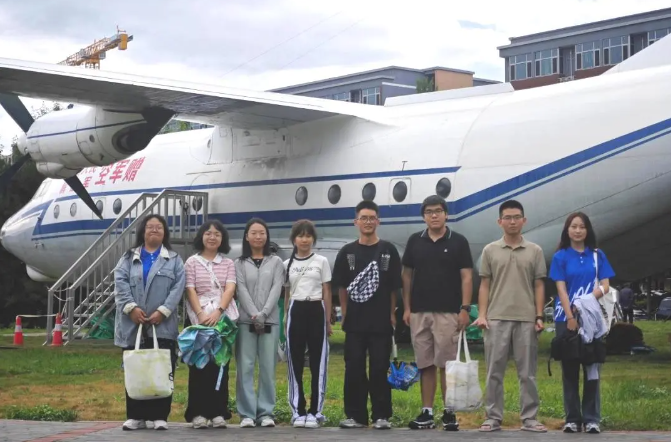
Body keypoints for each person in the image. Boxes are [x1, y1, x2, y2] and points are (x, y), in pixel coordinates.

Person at [473, 200, 547, 433]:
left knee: (527, 373)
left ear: (524, 220)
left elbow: (539, 285)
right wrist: (482, 314)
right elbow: (484, 284)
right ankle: (492, 417)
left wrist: (539, 315)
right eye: (507, 217)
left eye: (516, 217)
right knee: (494, 371)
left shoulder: (535, 250)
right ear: (500, 221)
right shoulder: (490, 250)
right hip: (496, 317)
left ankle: (530, 418)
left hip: (526, 318)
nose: (512, 221)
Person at [402, 195, 473, 431]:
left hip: (448, 312)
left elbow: (466, 276)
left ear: (446, 214)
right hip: (419, 312)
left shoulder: (459, 241)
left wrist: (465, 308)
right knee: (425, 364)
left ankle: (449, 412)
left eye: (438, 211)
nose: (434, 215)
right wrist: (407, 308)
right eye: (429, 212)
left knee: (447, 364)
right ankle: (427, 412)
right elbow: (406, 276)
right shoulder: (415, 241)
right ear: (424, 216)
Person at [332, 200, 402, 430]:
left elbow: (393, 287)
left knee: (380, 368)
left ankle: (381, 415)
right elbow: (342, 287)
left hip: (381, 320)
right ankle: (356, 415)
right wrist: (344, 313)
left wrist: (392, 313)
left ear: (378, 221)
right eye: (364, 218)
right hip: (355, 321)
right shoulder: (347, 252)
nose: (368, 222)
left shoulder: (388, 251)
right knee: (354, 368)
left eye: (372, 218)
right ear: (356, 222)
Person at [113, 214, 185, 431]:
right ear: (143, 232)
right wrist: (131, 308)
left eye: (159, 227)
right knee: (136, 368)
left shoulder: (174, 259)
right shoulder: (128, 258)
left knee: (161, 368)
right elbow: (120, 282)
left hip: (162, 325)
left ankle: (159, 416)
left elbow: (178, 288)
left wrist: (163, 311)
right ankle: (135, 416)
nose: (154, 230)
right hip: (133, 324)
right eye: (150, 227)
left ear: (165, 233)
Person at [549, 212, 615, 434]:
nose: (578, 230)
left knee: (591, 367)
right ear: (567, 230)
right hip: (565, 318)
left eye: (582, 227)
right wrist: (570, 316)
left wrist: (585, 301)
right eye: (573, 226)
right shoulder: (560, 257)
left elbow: (605, 285)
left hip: (591, 318)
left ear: (588, 230)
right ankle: (572, 419)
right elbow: (561, 289)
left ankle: (592, 418)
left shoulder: (597, 255)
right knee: (569, 369)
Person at [183, 220, 237, 429]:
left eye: (217, 234)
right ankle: (197, 413)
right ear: (201, 236)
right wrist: (200, 314)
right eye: (208, 233)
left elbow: (230, 288)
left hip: (221, 319)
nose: (212, 237)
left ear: (222, 239)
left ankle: (218, 412)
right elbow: (190, 289)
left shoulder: (228, 263)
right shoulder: (192, 262)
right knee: (198, 365)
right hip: (199, 318)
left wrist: (218, 312)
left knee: (220, 364)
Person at [235, 218, 285, 428]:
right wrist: (254, 314)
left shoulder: (276, 262)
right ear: (246, 236)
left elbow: (276, 289)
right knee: (244, 367)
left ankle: (266, 413)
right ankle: (246, 413)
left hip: (269, 322)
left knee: (267, 368)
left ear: (267, 236)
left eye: (262, 233)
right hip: (245, 322)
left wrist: (263, 313)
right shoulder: (239, 263)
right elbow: (240, 290)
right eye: (253, 233)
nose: (258, 236)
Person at [283, 220, 333, 429]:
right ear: (294, 239)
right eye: (300, 236)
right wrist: (285, 317)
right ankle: (298, 410)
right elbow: (287, 293)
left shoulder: (321, 261)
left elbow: (327, 291)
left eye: (308, 236)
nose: (304, 240)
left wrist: (328, 320)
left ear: (313, 238)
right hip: (296, 310)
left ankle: (315, 411)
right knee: (294, 361)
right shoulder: (287, 264)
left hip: (316, 308)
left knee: (317, 362)